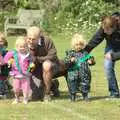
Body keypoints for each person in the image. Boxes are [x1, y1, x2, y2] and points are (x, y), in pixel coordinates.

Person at [26, 26, 66, 101]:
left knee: (46, 65)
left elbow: (53, 55)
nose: (31, 41)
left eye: (33, 39)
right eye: (29, 38)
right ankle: (53, 84)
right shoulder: (24, 43)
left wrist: (38, 59)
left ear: (39, 37)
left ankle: (47, 93)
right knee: (34, 96)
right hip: (34, 67)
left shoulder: (47, 41)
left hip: (50, 66)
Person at [84, 12, 120, 98]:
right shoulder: (105, 25)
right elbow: (95, 40)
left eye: (106, 30)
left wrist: (113, 56)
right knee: (107, 66)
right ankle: (114, 93)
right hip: (112, 45)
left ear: (114, 28)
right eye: (103, 29)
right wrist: (83, 53)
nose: (104, 31)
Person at [4, 36, 34, 104]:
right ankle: (16, 98)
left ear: (27, 47)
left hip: (26, 75)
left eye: (24, 46)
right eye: (20, 47)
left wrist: (30, 71)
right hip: (16, 74)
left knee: (26, 88)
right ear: (16, 47)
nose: (22, 48)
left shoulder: (28, 54)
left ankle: (25, 99)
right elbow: (5, 59)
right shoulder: (13, 53)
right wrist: (9, 61)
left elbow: (32, 63)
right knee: (16, 88)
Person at [64, 33, 94, 101]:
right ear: (73, 45)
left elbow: (91, 58)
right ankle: (73, 96)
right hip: (73, 73)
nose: (79, 46)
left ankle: (85, 96)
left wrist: (91, 61)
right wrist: (70, 60)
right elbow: (65, 61)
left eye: (80, 45)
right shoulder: (70, 53)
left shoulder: (85, 53)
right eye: (77, 45)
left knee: (85, 84)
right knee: (73, 85)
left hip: (84, 73)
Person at [0, 32, 12, 98]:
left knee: (2, 80)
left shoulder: (4, 51)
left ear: (4, 42)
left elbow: (8, 59)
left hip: (4, 69)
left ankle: (3, 92)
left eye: (1, 41)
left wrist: (7, 61)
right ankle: (6, 87)